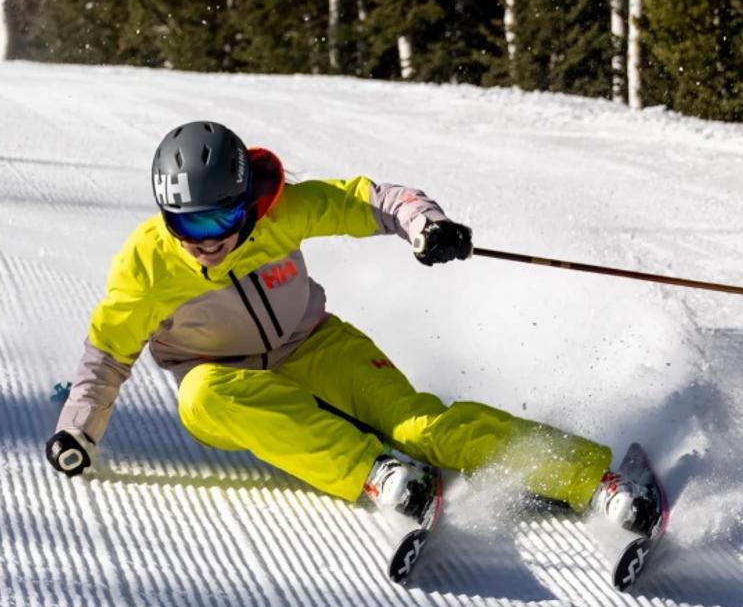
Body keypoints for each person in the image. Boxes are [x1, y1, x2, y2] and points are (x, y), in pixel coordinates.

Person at [44, 120, 659, 536]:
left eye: (220, 221)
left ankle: (600, 482)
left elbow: (372, 200)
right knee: (199, 398)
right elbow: (107, 356)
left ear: (247, 202)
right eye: (187, 225)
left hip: (314, 346)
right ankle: (378, 473)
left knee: (420, 426)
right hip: (228, 384)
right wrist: (78, 431)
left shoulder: (283, 211)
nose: (206, 243)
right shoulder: (146, 263)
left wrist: (425, 225)